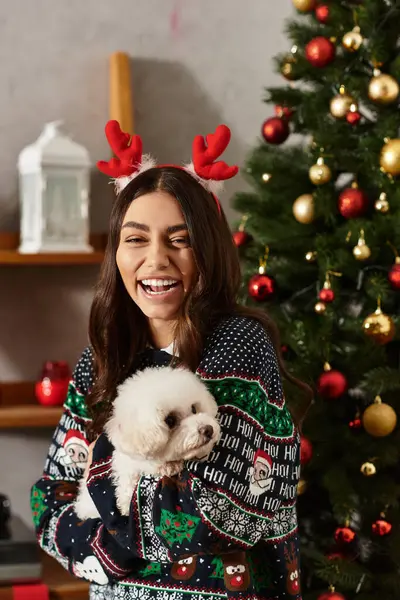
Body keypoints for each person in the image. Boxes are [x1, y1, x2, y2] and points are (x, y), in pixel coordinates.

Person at [31, 121, 312, 600]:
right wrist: (115, 538)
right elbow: (48, 500)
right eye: (136, 239)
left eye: (179, 240)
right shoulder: (101, 358)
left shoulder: (239, 345)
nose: (156, 259)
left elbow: (212, 518)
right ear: (116, 253)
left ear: (208, 251)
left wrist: (104, 512)